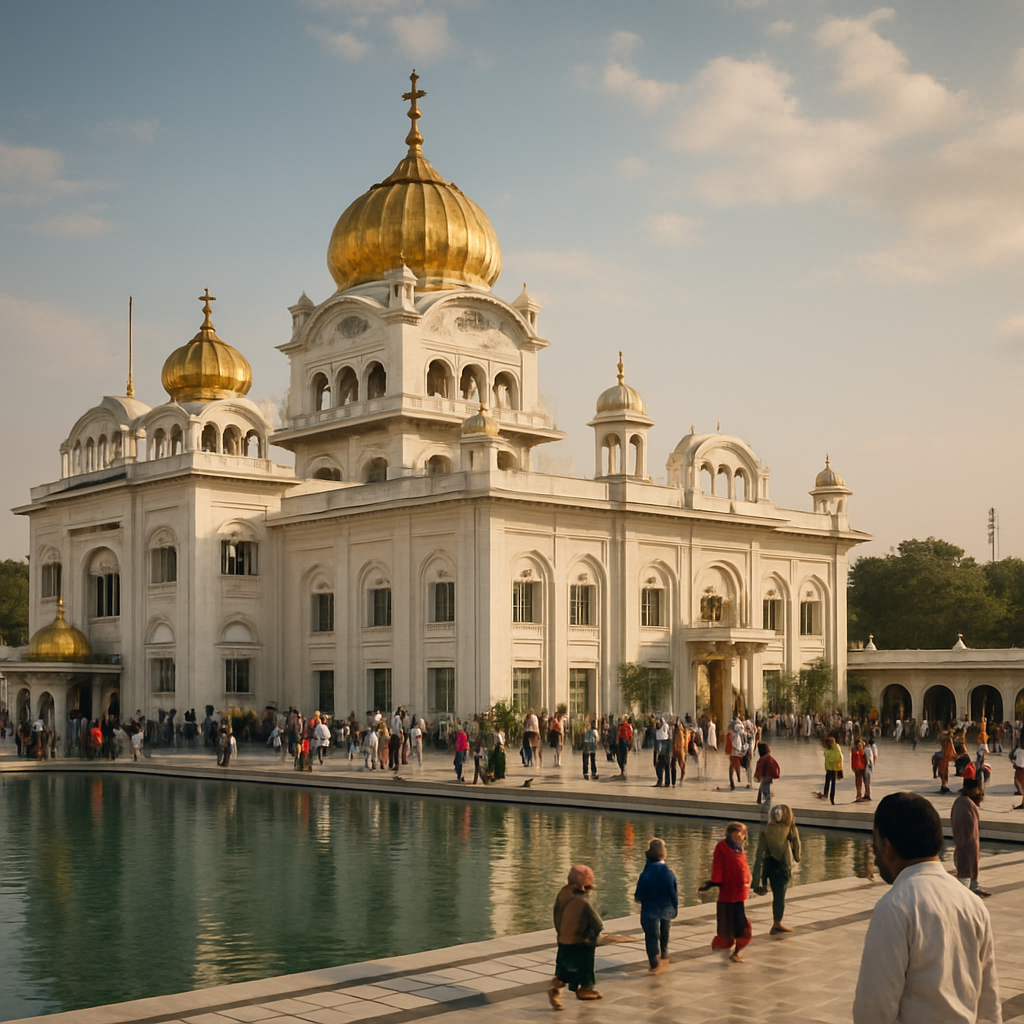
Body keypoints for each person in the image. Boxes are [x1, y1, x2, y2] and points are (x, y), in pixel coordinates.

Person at [852, 792, 1000, 1024]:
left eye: (875, 844)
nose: (876, 854)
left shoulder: (895, 908)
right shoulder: (973, 905)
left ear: (888, 847)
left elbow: (874, 1010)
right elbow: (989, 1007)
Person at [549, 865, 605, 1007]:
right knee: (585, 968)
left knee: (563, 971)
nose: (589, 891)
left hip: (563, 940)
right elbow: (597, 923)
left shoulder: (562, 894)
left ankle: (555, 989)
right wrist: (594, 937)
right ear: (582, 886)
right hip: (581, 942)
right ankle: (585, 989)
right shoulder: (583, 901)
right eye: (589, 887)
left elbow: (556, 915)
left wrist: (561, 932)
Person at [699, 821, 753, 962]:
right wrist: (713, 882)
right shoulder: (722, 847)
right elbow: (717, 866)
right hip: (728, 895)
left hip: (740, 894)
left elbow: (744, 867)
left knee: (743, 927)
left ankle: (736, 951)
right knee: (728, 927)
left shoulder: (739, 849)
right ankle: (726, 948)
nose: (744, 837)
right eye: (742, 833)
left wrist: (749, 881)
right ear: (733, 833)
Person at [752, 804, 801, 934]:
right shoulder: (789, 828)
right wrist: (797, 857)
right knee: (780, 896)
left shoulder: (766, 830)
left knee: (776, 893)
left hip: (769, 867)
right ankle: (777, 923)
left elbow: (758, 855)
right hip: (783, 866)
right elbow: (796, 846)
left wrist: (755, 881)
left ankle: (777, 922)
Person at [633, 838, 678, 973]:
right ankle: (664, 953)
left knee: (652, 935)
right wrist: (675, 906)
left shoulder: (646, 873)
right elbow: (673, 892)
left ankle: (654, 962)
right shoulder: (668, 873)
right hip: (666, 907)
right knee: (665, 930)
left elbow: (639, 894)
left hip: (650, 909)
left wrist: (639, 899)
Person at [951, 777, 991, 897]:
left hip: (969, 842)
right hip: (966, 843)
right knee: (965, 867)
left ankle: (974, 886)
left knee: (971, 865)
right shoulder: (965, 804)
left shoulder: (963, 802)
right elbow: (965, 829)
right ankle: (965, 890)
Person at [753, 742, 780, 809]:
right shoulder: (769, 758)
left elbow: (760, 769)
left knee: (766, 796)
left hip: (765, 778)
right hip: (768, 778)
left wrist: (757, 777)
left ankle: (767, 807)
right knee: (764, 790)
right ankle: (761, 802)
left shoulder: (762, 760)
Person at [820, 736, 843, 804]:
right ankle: (831, 798)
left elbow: (831, 757)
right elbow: (838, 756)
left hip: (830, 768)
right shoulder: (835, 748)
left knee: (828, 782)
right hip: (833, 768)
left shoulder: (828, 750)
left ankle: (826, 794)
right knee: (832, 783)